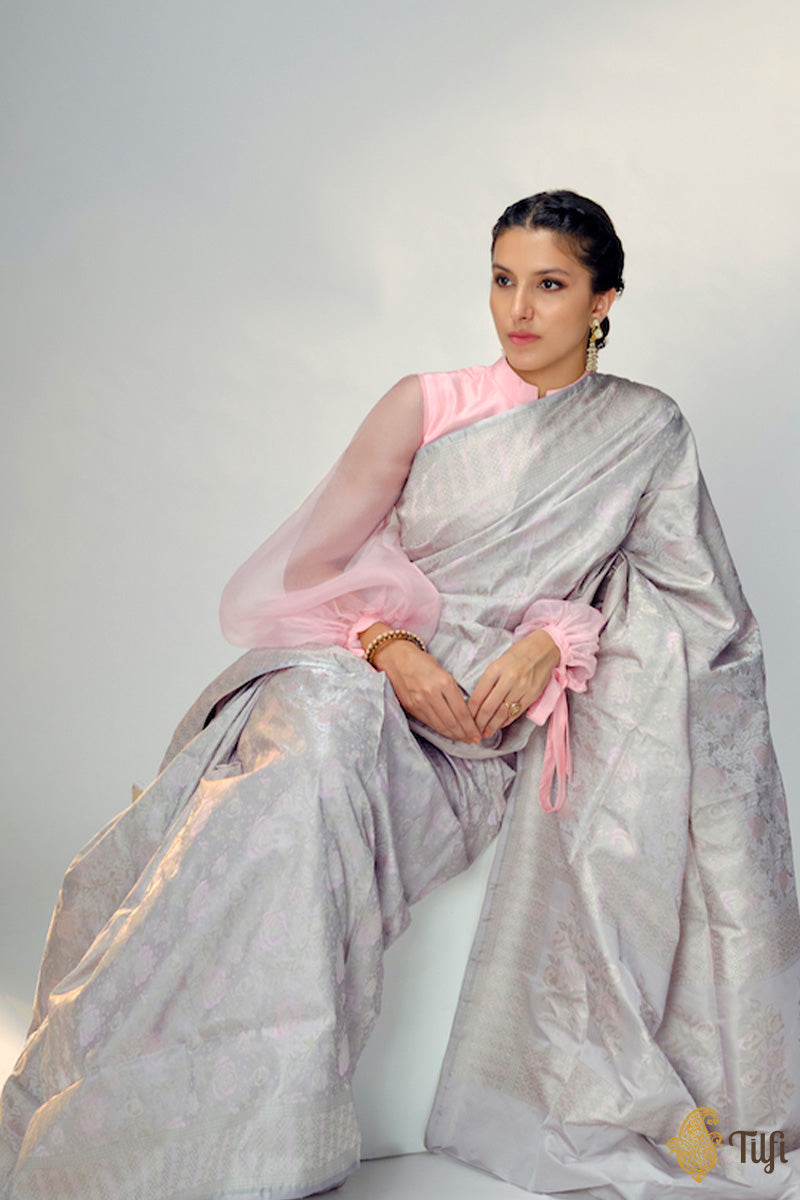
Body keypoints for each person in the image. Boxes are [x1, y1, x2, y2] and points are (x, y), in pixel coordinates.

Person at [1, 191, 798, 1200]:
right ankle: (202, 1118)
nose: (518, 309)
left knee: (320, 772)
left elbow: (691, 606)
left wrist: (551, 640)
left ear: (603, 300)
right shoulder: (426, 404)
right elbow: (308, 571)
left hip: (473, 732)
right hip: (357, 672)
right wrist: (389, 646)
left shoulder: (643, 430)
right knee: (314, 748)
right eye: (502, 280)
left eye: (550, 285)